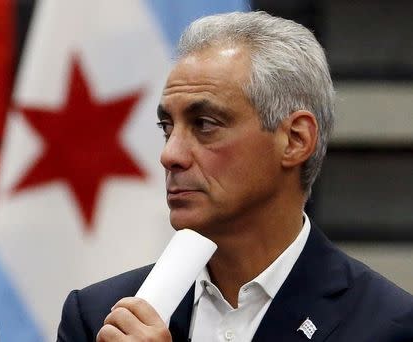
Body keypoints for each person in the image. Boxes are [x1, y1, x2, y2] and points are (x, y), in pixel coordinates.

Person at [57, 11, 413, 341]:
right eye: (167, 128)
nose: (170, 155)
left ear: (295, 139)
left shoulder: (387, 326)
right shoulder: (98, 319)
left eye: (205, 125)